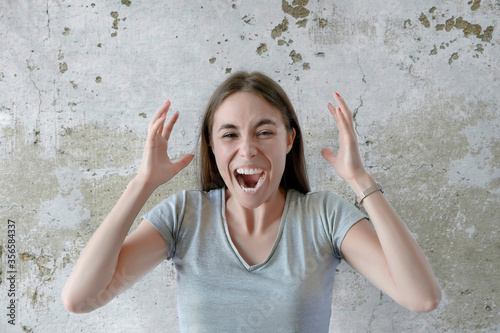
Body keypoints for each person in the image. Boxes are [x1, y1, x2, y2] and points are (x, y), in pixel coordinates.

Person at [62, 71, 441, 331]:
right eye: (229, 135)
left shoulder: (323, 216)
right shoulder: (185, 216)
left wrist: (361, 181)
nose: (248, 150)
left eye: (264, 131)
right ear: (211, 145)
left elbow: (422, 297)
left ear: (289, 139)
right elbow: (80, 299)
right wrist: (142, 184)